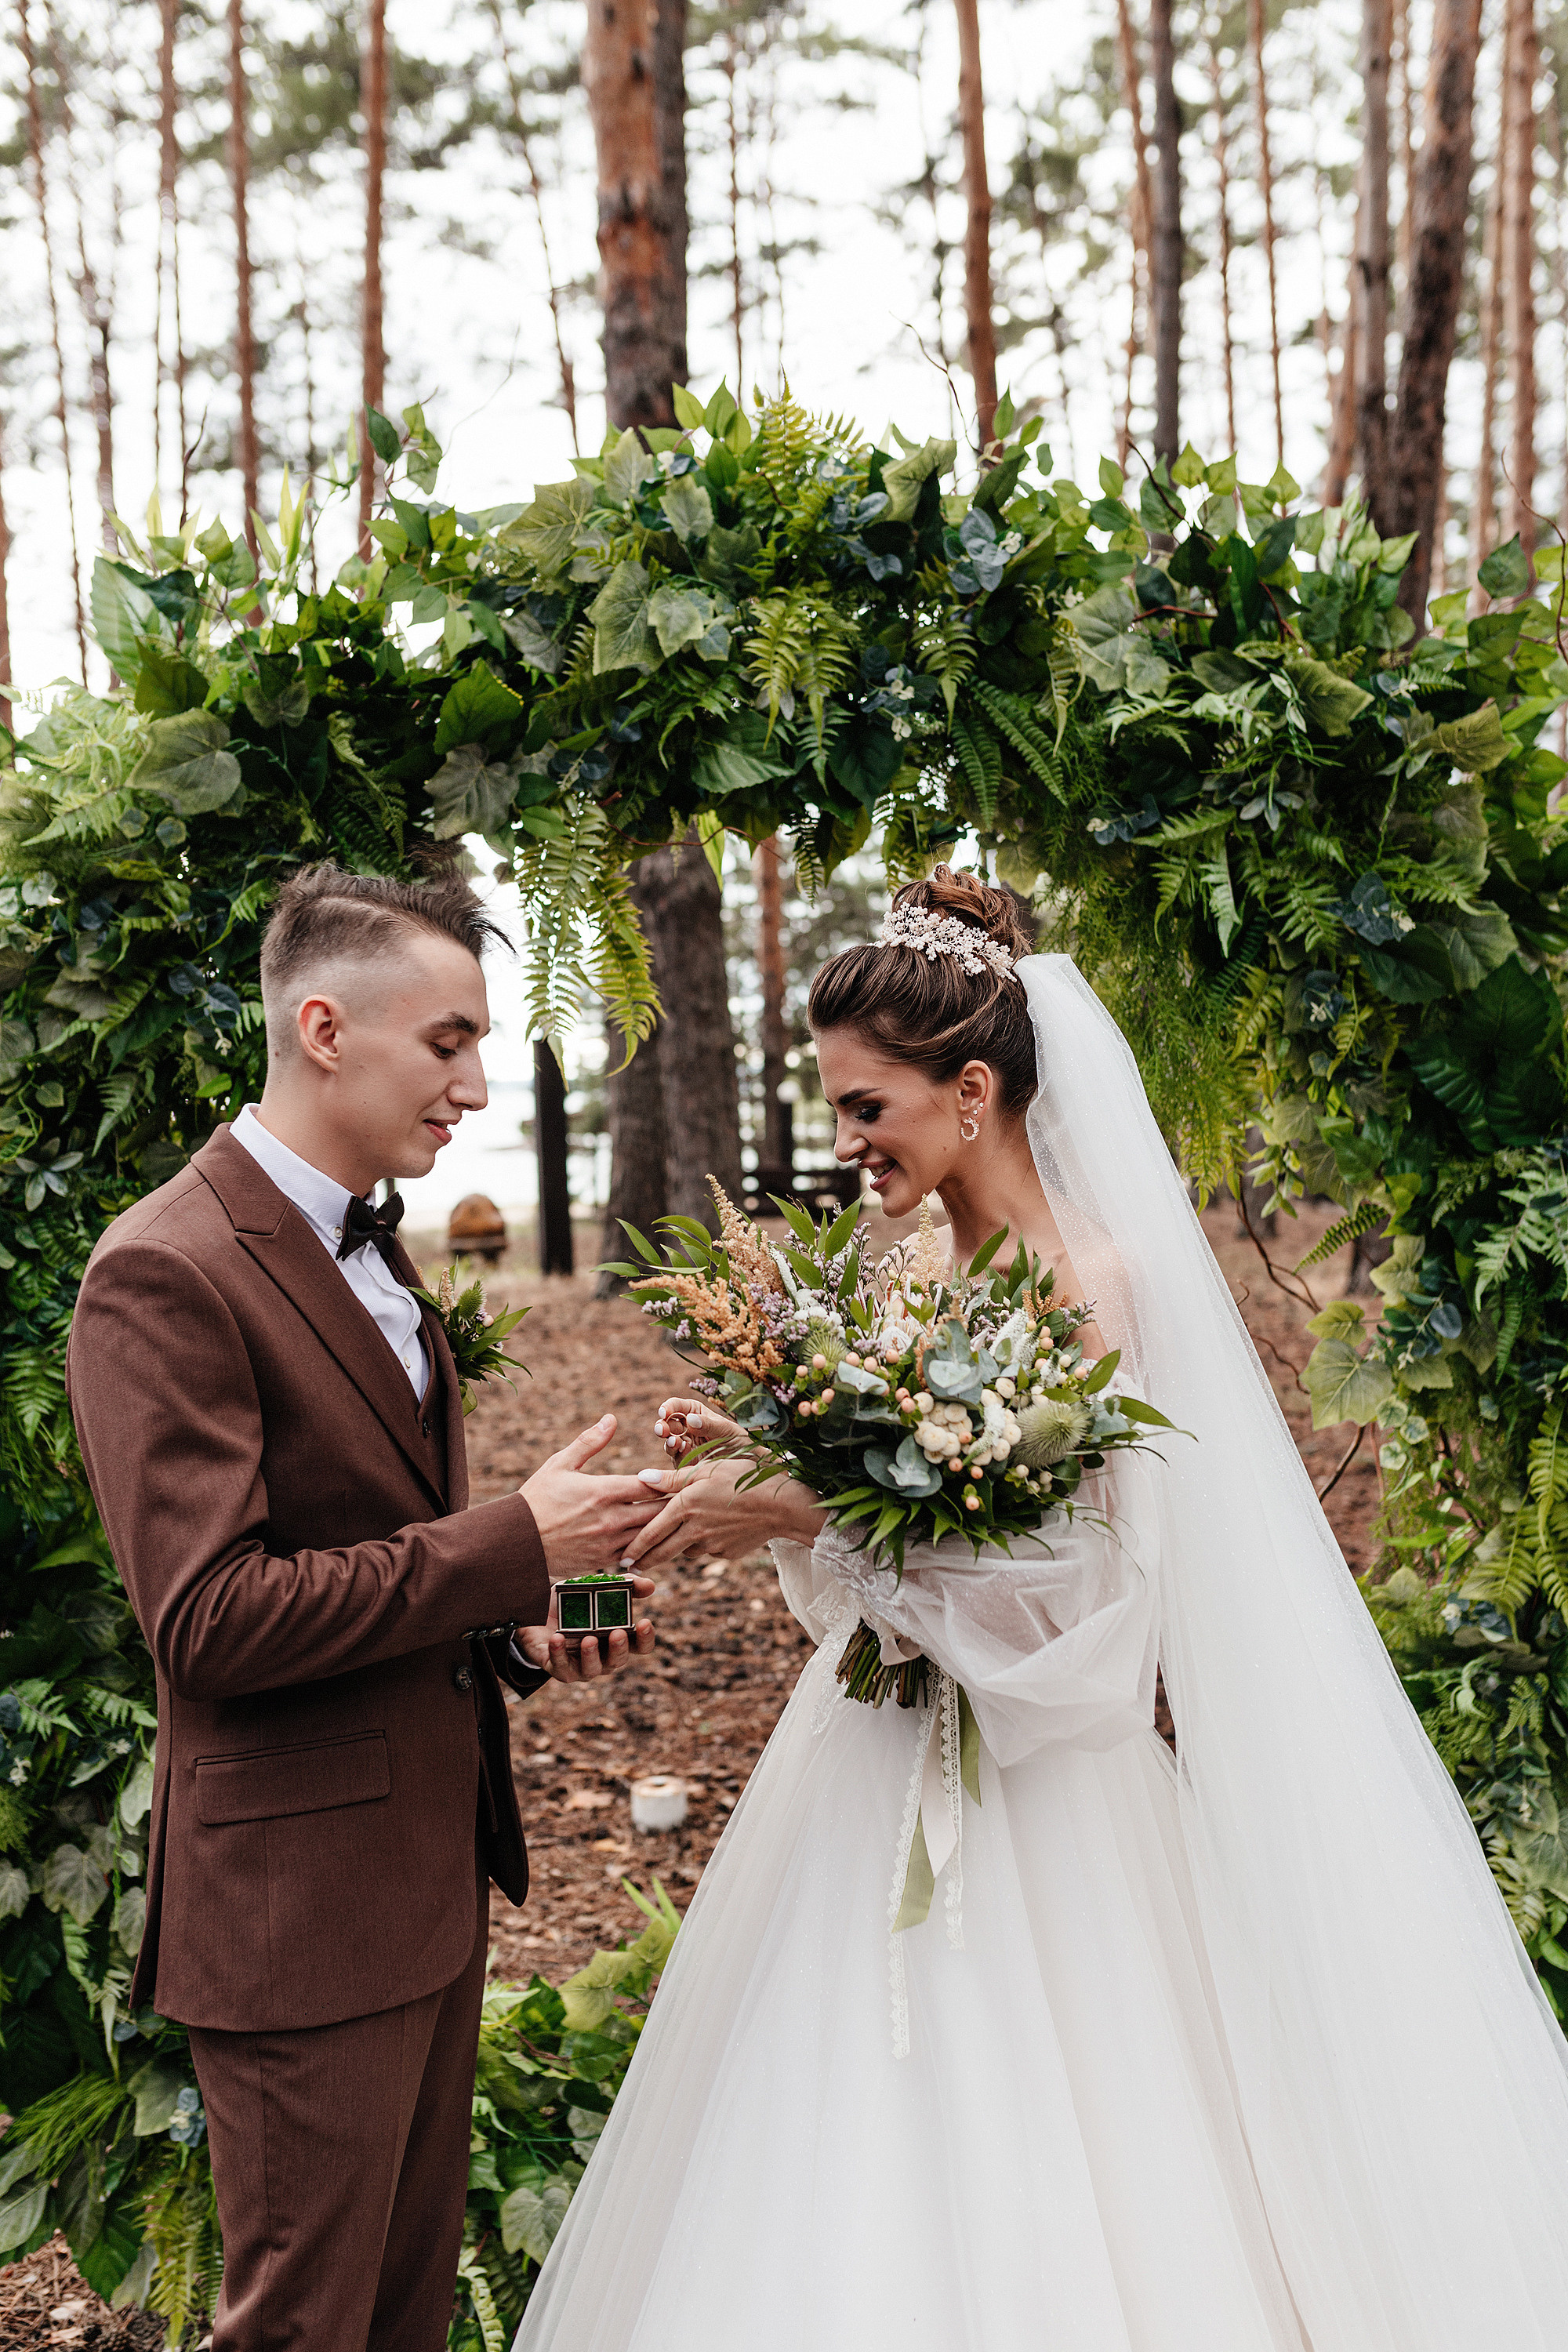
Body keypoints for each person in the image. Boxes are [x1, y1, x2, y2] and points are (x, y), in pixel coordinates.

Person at [515, 869, 1568, 2352]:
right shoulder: (909, 1282)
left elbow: (1085, 1605)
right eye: (839, 1108)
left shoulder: (1089, 1290)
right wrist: (771, 1459)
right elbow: (906, 1548)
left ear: (972, 1088)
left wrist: (809, 1506)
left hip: (1046, 1802)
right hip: (874, 1767)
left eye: (868, 1106)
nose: (849, 1143)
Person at [67, 864, 661, 2352]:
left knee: (397, 2324)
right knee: (301, 2331)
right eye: (446, 1043)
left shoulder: (375, 1244)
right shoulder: (163, 1268)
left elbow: (374, 1555)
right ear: (323, 1026)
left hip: (420, 1884)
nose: (474, 1083)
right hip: (296, 1915)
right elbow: (207, 1622)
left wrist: (520, 1618)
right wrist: (505, 1543)